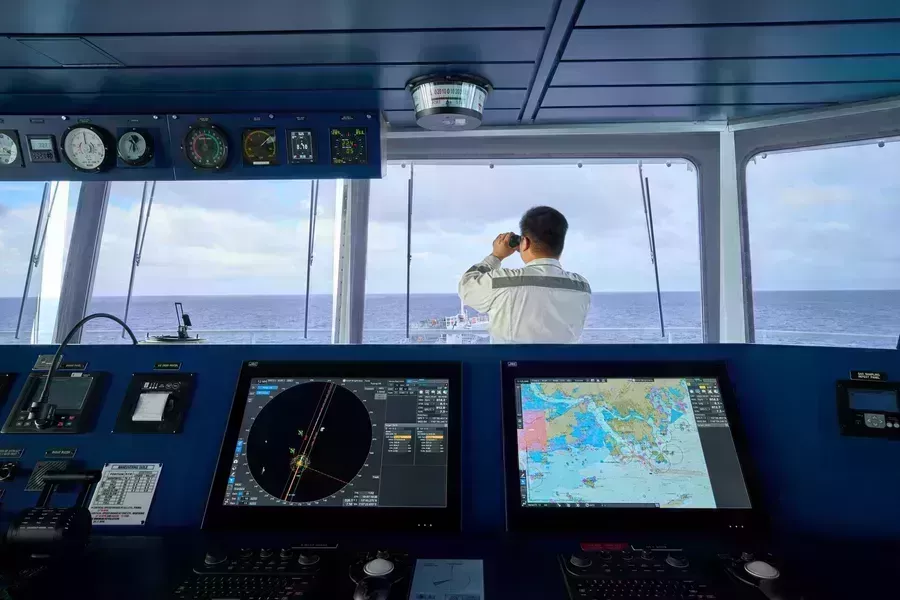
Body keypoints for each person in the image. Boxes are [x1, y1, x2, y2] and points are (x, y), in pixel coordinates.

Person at [458, 206, 591, 343]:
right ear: (560, 245)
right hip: (563, 365)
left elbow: (466, 287)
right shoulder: (581, 287)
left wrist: (496, 256)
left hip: (511, 364)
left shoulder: (502, 283)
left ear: (525, 243)